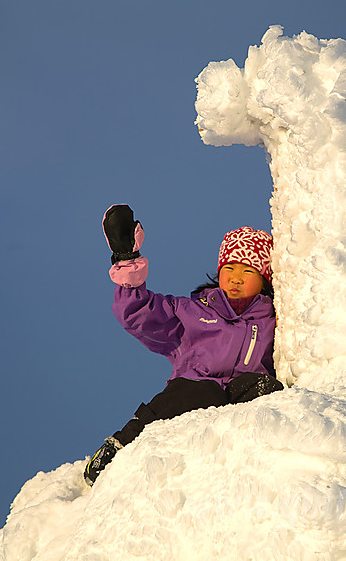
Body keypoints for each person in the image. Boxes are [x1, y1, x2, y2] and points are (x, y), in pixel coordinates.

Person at [84, 205, 284, 486]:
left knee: (268, 392)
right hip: (194, 391)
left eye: (248, 270)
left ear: (265, 279)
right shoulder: (192, 312)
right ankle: (119, 447)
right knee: (192, 392)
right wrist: (127, 261)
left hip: (239, 396)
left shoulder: (274, 319)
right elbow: (138, 312)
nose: (236, 277)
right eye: (229, 267)